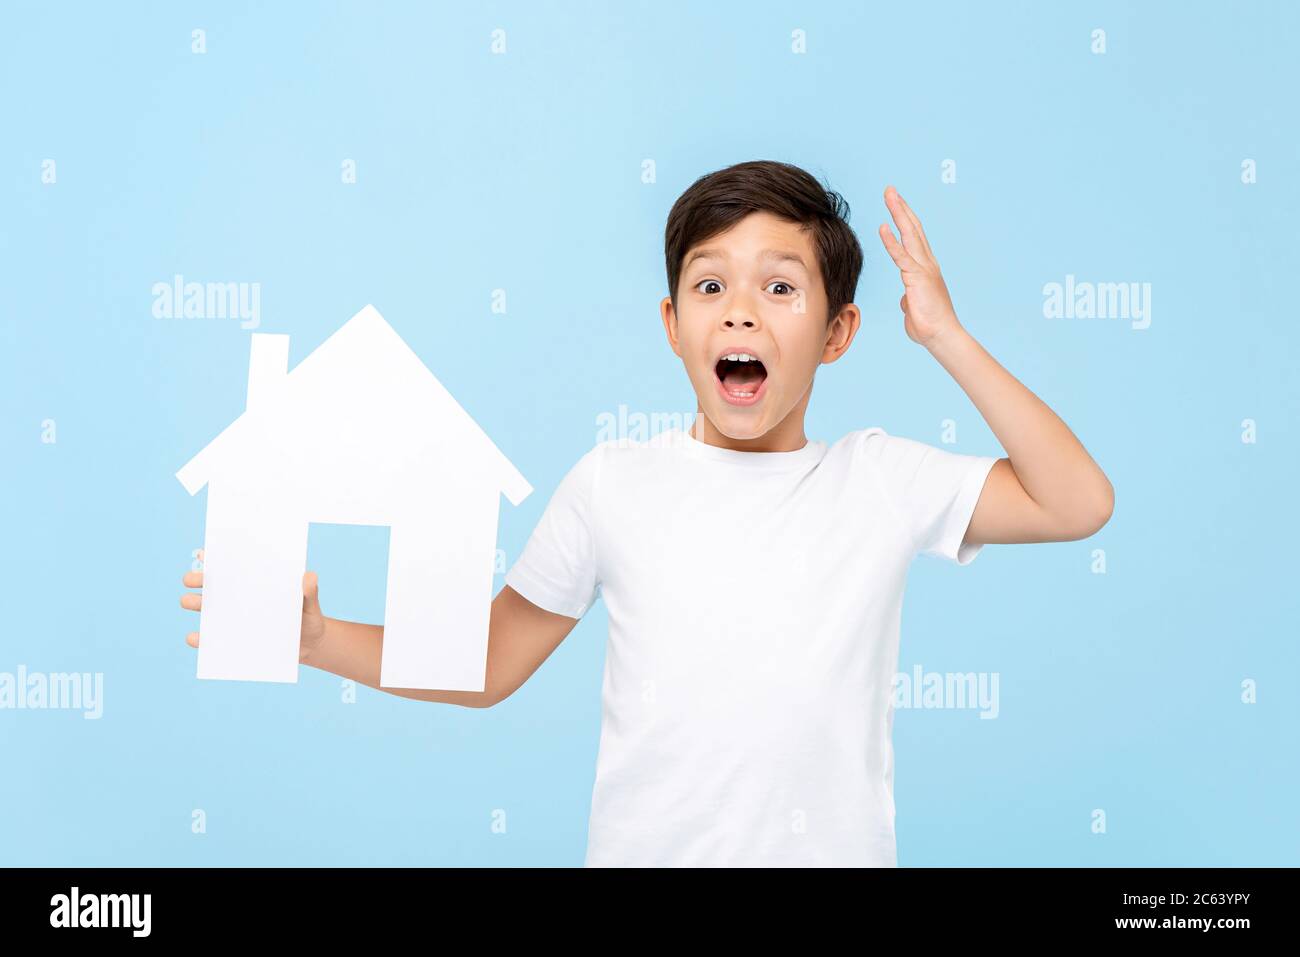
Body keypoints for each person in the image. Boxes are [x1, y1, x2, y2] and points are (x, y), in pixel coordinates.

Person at [180, 160, 1113, 866]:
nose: (740, 312)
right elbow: (492, 658)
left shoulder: (878, 479)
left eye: (780, 287)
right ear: (673, 326)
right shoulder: (612, 483)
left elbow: (1077, 500)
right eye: (711, 286)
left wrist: (945, 334)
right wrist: (316, 637)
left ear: (838, 334)